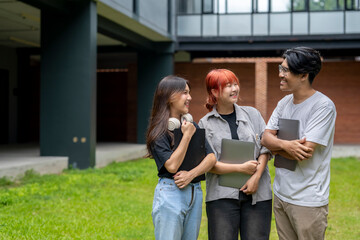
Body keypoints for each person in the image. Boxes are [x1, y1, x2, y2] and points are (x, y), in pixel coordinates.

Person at [261, 47, 337, 240]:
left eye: (286, 70)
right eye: (281, 68)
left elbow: (304, 153)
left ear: (303, 75)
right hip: (281, 194)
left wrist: (274, 146)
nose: (280, 74)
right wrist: (286, 146)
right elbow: (264, 138)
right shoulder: (284, 103)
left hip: (307, 200)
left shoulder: (323, 106)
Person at [199, 69, 272, 240]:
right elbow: (209, 163)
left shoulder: (252, 114)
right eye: (228, 86)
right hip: (221, 198)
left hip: (258, 196)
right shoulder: (205, 124)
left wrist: (256, 177)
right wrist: (241, 168)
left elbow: (265, 148)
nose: (234, 89)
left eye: (235, 84)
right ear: (214, 92)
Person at [146, 75, 216, 240]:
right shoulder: (158, 131)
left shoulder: (191, 126)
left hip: (195, 193)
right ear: (170, 96)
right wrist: (186, 137)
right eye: (185, 93)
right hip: (171, 192)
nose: (190, 97)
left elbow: (211, 158)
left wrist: (191, 174)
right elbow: (171, 166)